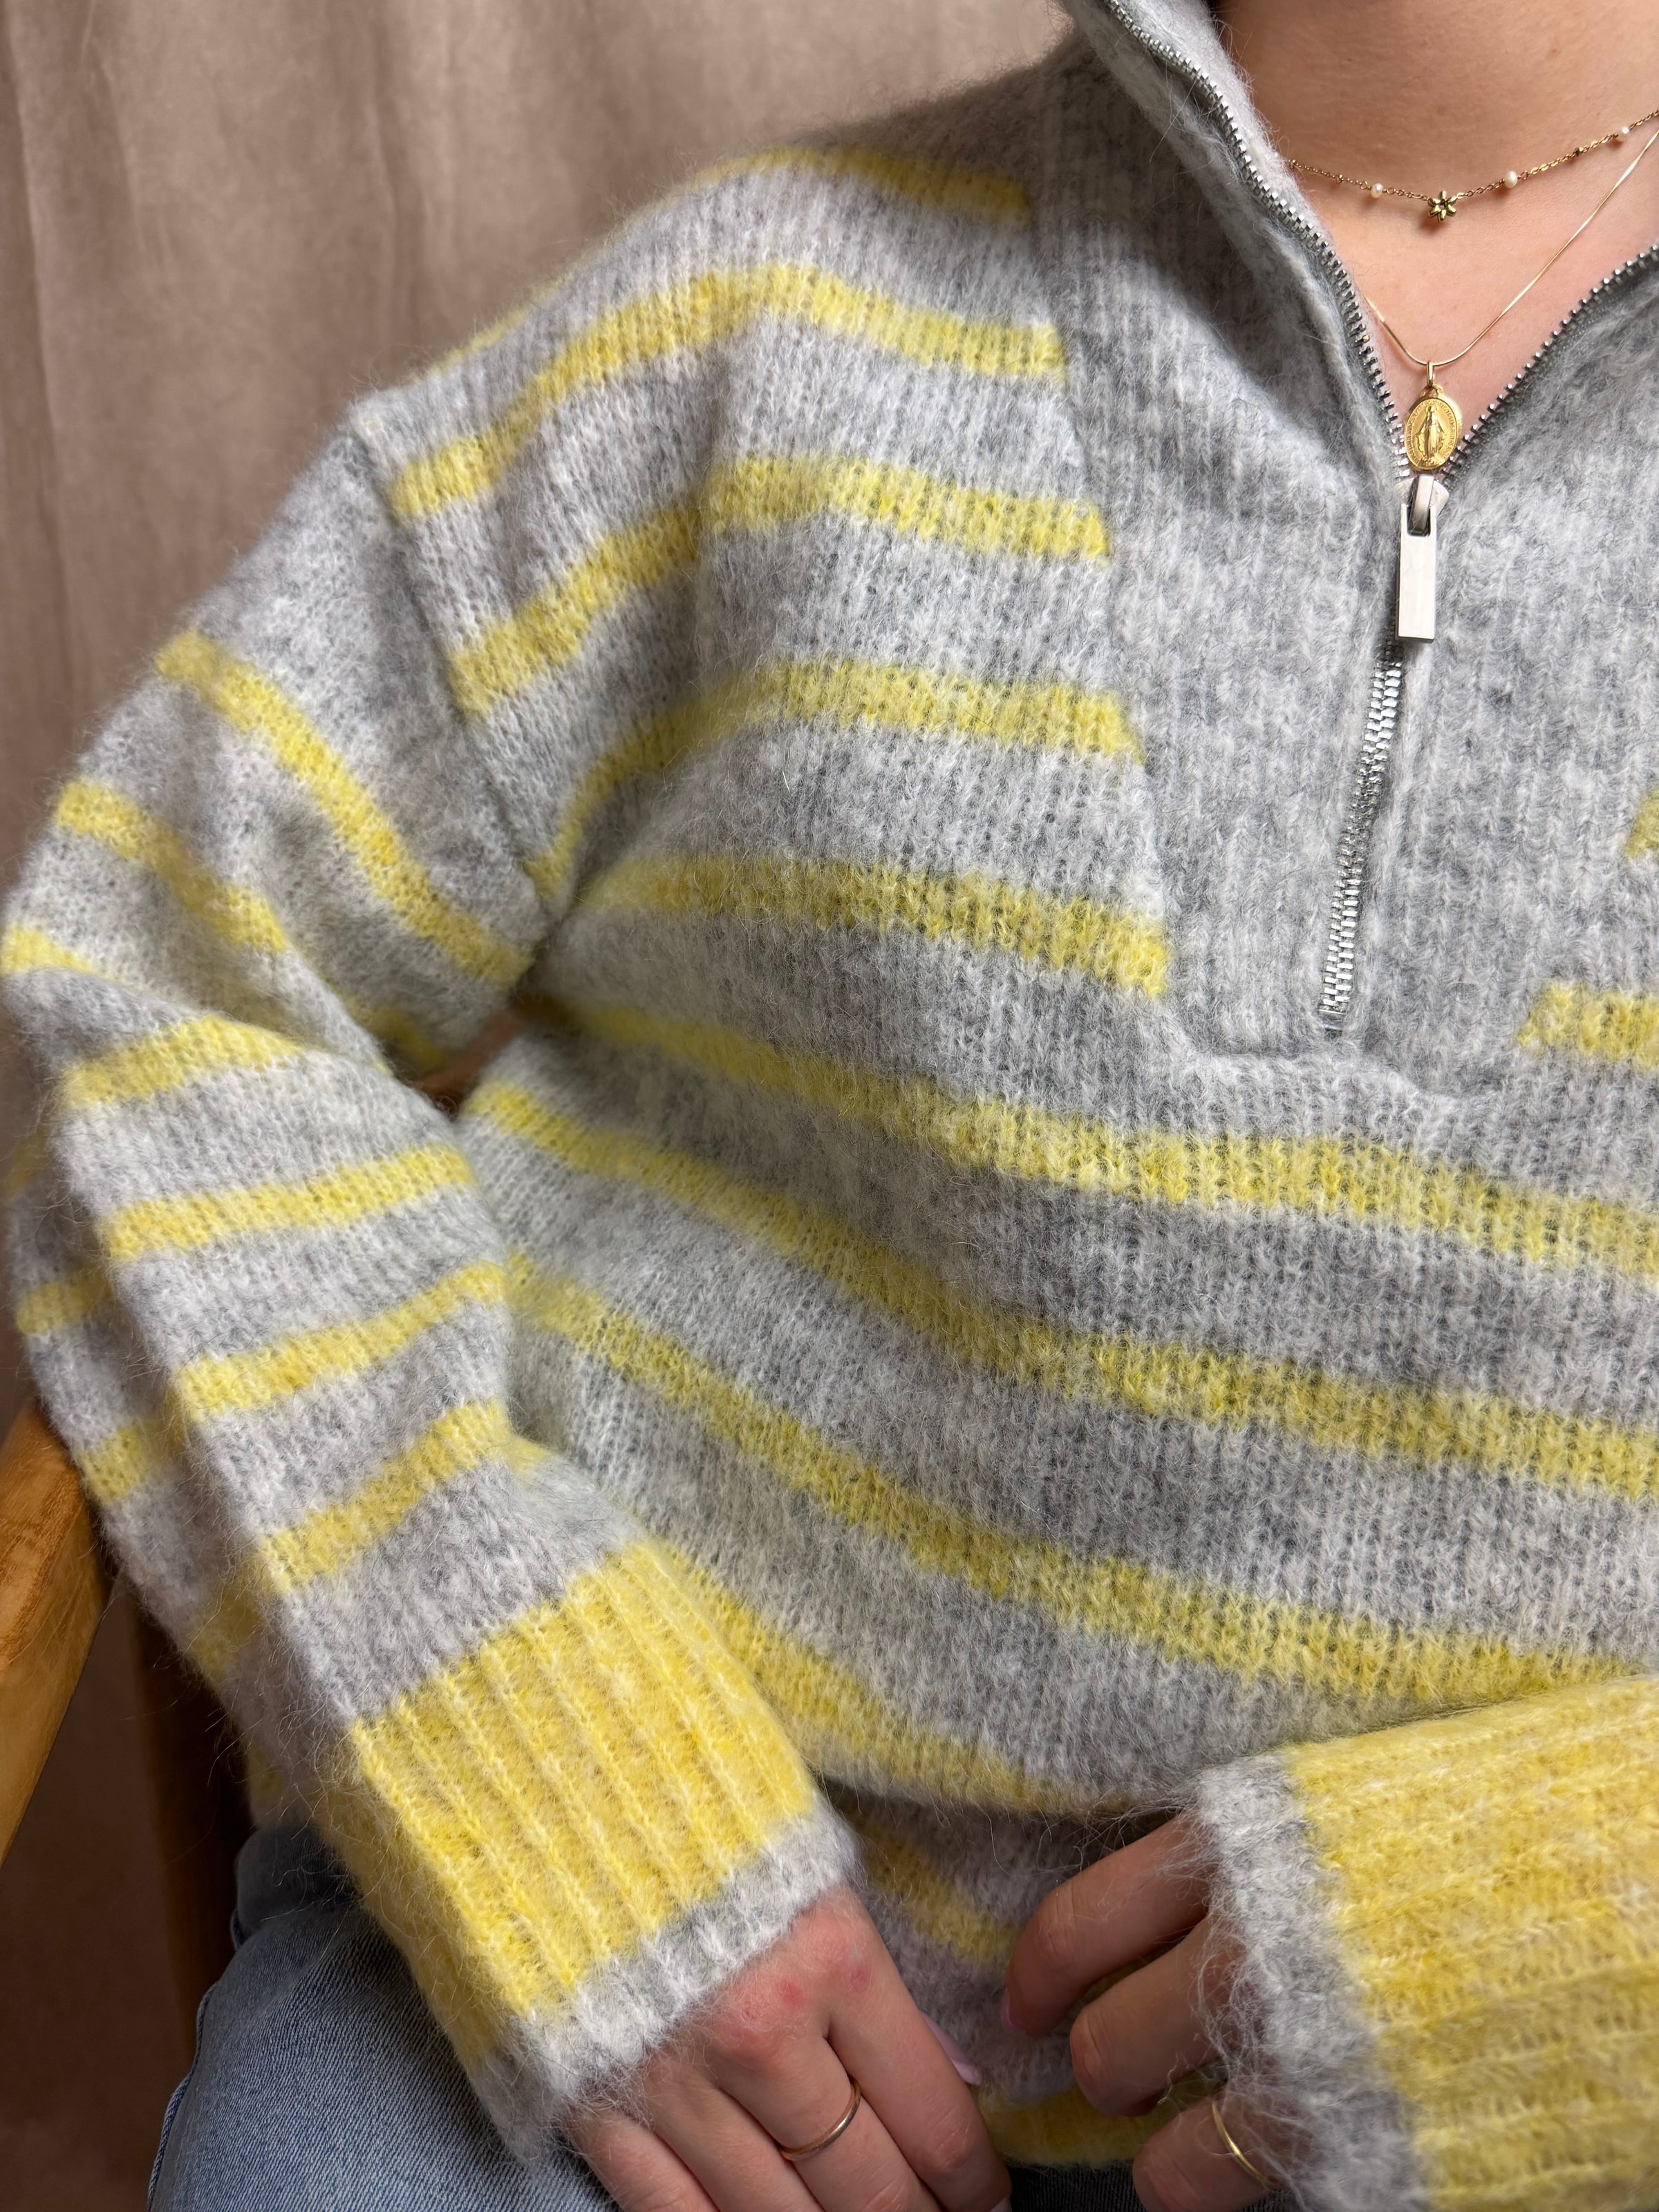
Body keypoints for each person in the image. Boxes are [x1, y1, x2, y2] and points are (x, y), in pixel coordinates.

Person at [6, 0, 1659, 2205]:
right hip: (600, 1975)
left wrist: (1597, 1931)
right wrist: (529, 1751)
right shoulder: (754, 327)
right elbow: (163, 953)